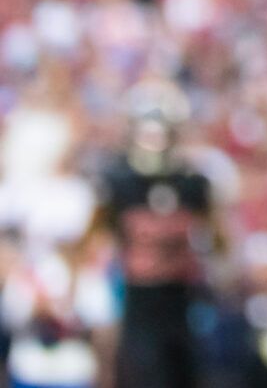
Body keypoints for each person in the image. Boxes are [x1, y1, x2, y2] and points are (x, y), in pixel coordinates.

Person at [94, 83, 218, 388]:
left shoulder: (192, 183)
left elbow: (217, 239)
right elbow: (99, 241)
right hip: (136, 300)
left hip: (182, 299)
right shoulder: (117, 182)